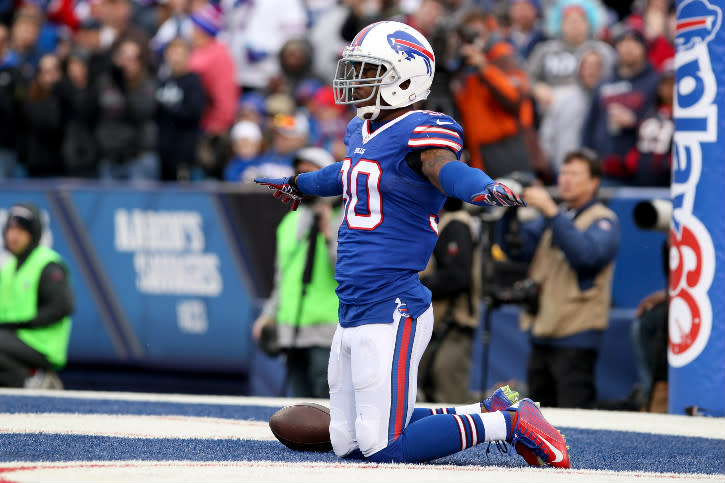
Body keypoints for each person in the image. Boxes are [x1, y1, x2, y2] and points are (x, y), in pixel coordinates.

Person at [255, 21, 570, 468]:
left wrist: (481, 186)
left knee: (386, 445)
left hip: (394, 303)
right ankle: (489, 412)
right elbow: (343, 175)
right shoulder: (359, 131)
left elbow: (446, 169)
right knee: (348, 442)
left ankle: (510, 422)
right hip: (354, 304)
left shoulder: (425, 128)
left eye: (368, 70)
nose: (355, 80)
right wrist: (299, 183)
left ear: (405, 77)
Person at [498, 149, 620, 409]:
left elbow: (586, 257)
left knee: (574, 415)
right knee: (541, 417)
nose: (565, 179)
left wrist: (551, 211)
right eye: (563, 172)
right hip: (542, 330)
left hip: (576, 334)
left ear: (594, 182)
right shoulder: (555, 218)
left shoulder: (603, 220)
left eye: (574, 174)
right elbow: (516, 250)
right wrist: (508, 210)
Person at [252, 147, 342, 398]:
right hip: (291, 328)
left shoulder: (345, 217)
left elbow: (345, 270)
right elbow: (283, 276)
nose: (304, 178)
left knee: (325, 403)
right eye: (300, 172)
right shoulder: (290, 221)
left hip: (327, 329)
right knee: (300, 404)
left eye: (311, 172)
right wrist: (269, 314)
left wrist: (327, 234)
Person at [0, 203, 74, 389]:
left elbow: (62, 307)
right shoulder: (8, 268)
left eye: (21, 231)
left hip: (42, 345)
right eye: (10, 229)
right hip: (13, 339)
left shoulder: (47, 264)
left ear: (33, 235)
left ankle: (33, 380)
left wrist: (19, 324)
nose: (13, 236)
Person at [418, 197, 481, 404]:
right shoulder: (442, 222)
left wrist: (415, 286)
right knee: (428, 385)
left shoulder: (455, 224)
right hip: (437, 325)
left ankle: (458, 434)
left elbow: (456, 276)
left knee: (448, 388)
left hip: (453, 324)